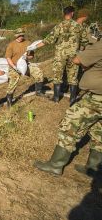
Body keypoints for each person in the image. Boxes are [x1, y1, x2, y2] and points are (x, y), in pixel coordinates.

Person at [34, 40, 102, 176]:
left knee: (69, 125)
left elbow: (78, 60)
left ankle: (55, 165)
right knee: (99, 130)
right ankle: (94, 167)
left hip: (97, 98)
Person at [32, 6, 88, 104]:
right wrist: (81, 51)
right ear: (72, 13)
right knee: (73, 78)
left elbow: (48, 40)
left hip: (60, 56)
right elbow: (85, 41)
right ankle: (72, 100)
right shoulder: (79, 26)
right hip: (74, 56)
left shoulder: (59, 26)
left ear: (64, 14)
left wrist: (34, 47)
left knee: (57, 76)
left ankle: (56, 98)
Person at [4, 28, 46, 108]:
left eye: (22, 35)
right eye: (19, 35)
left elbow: (31, 56)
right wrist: (13, 66)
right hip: (14, 66)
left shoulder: (28, 43)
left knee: (38, 73)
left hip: (25, 65)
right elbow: (8, 58)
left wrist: (26, 57)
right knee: (12, 84)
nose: (21, 37)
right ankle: (9, 104)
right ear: (16, 36)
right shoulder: (11, 45)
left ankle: (39, 92)